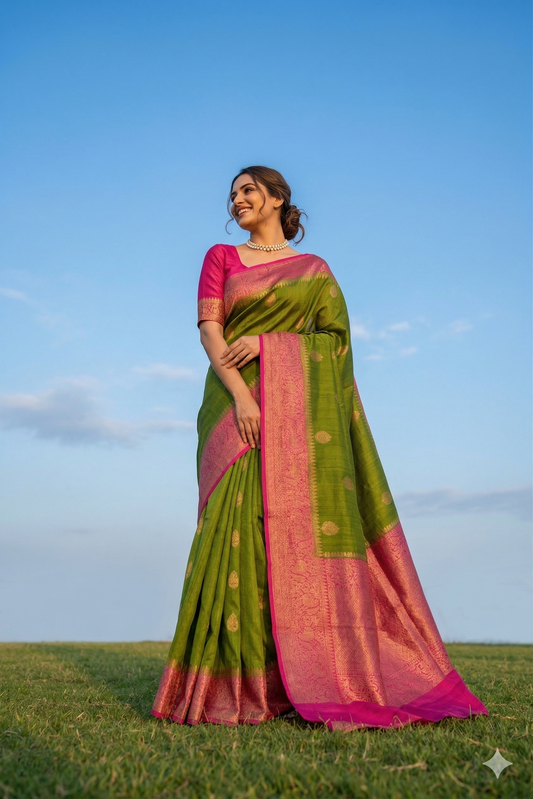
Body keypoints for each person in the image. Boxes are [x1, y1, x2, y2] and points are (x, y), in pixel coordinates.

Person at [151, 166, 487, 729]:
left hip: (294, 415)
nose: (237, 200)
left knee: (288, 535)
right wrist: (242, 396)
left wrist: (267, 343)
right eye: (232, 194)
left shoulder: (315, 272)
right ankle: (231, 687)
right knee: (232, 530)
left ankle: (292, 682)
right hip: (233, 406)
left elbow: (335, 343)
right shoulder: (222, 257)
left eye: (248, 190)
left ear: (277, 197)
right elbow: (210, 330)